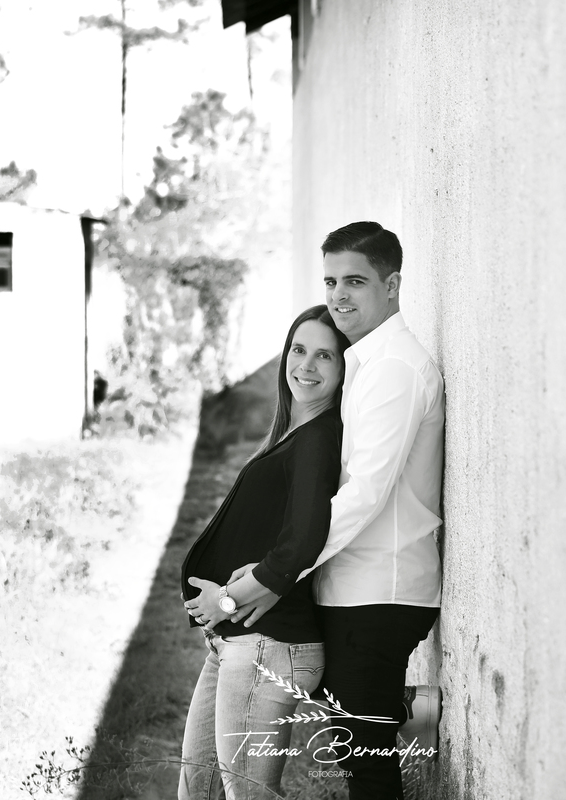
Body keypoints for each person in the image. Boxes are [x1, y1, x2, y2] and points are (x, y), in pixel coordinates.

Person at [231, 221, 445, 800]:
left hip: (379, 593)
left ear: (392, 285)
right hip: (356, 589)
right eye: (330, 281)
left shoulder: (394, 369)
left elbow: (364, 493)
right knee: (358, 755)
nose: (338, 295)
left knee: (366, 767)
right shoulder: (367, 362)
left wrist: (278, 572)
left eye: (355, 281)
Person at [178, 305, 351, 800]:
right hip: (238, 644)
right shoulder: (294, 433)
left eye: (325, 356)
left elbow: (303, 539)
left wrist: (226, 600)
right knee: (198, 790)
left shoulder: (318, 438)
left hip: (268, 646)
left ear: (344, 369)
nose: (307, 365)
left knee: (247, 794)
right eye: (299, 350)